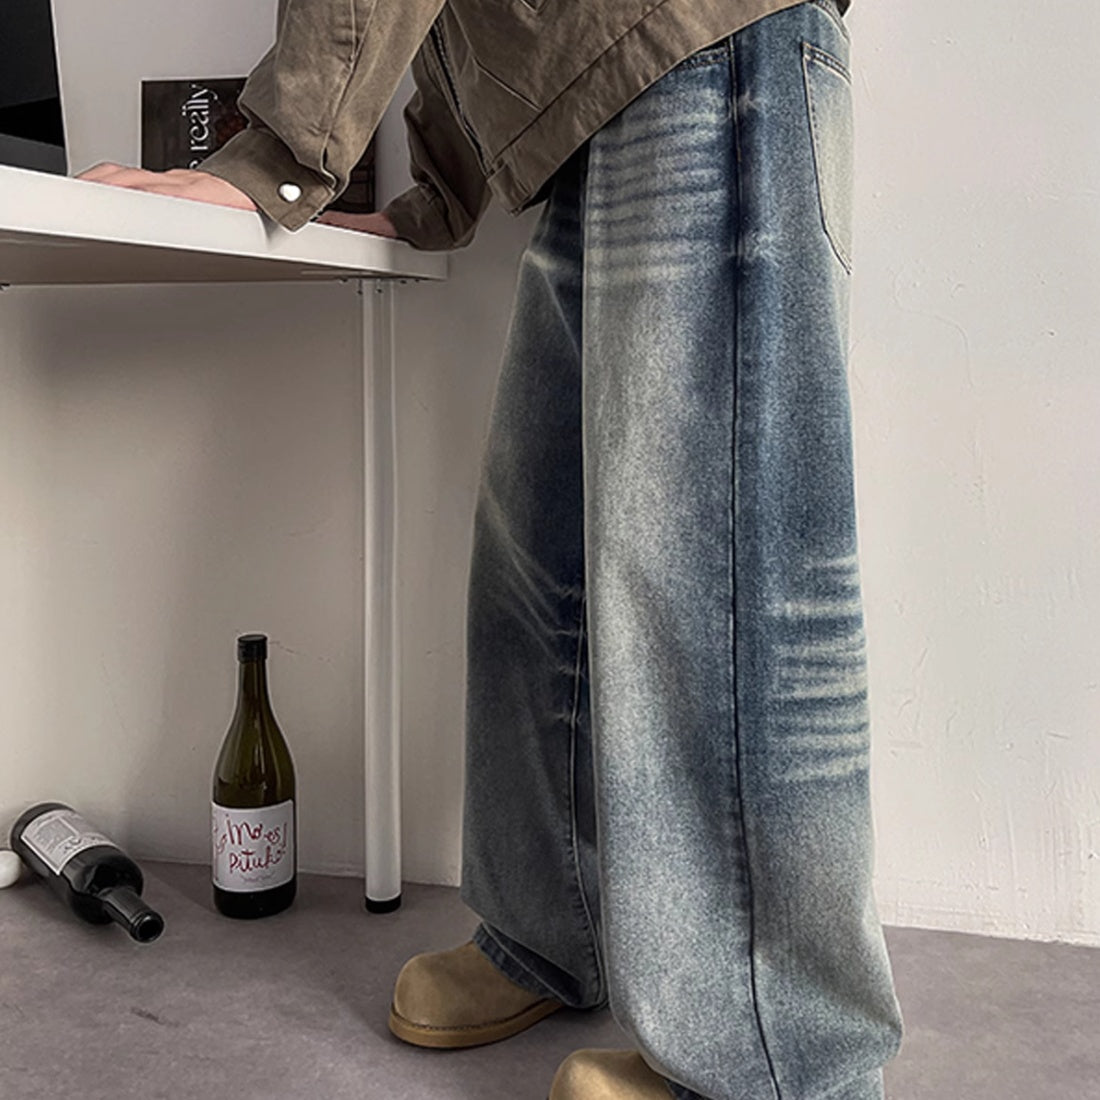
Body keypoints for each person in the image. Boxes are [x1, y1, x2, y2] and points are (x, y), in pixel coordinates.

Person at [79, 1, 904, 1096]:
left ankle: (776, 1061)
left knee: (715, 586)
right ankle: (549, 928)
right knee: (540, 574)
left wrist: (278, 158)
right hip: (585, 100)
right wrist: (438, 194)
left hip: (701, 51)